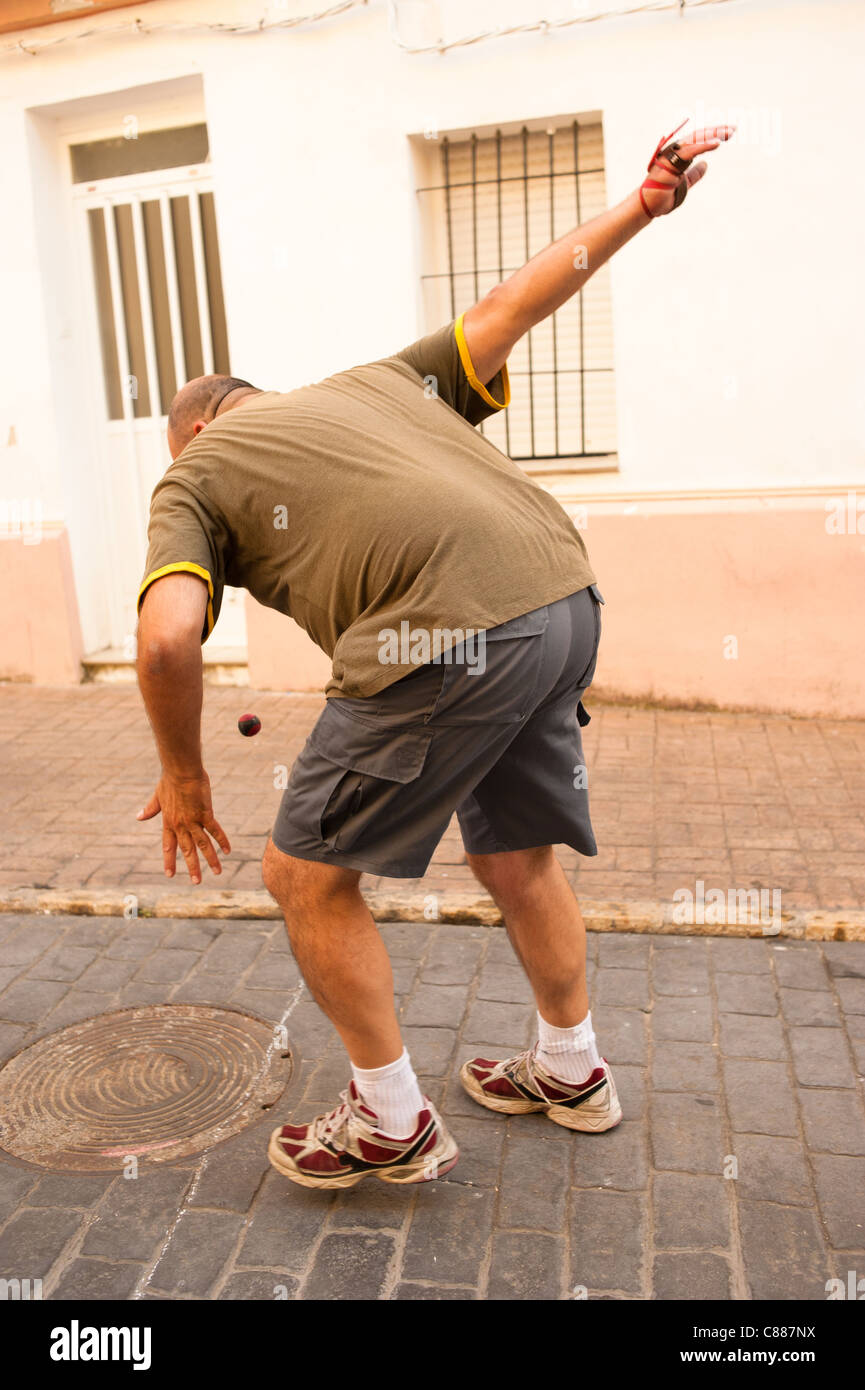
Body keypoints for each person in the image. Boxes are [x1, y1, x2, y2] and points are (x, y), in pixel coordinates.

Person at [136, 121, 734, 1188]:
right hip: (562, 593)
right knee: (515, 852)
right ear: (258, 397)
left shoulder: (194, 471)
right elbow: (519, 299)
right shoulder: (370, 385)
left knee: (303, 875)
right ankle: (571, 1067)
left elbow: (167, 636)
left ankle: (389, 1121)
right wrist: (643, 204)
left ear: (191, 433)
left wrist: (183, 775)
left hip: (448, 629)